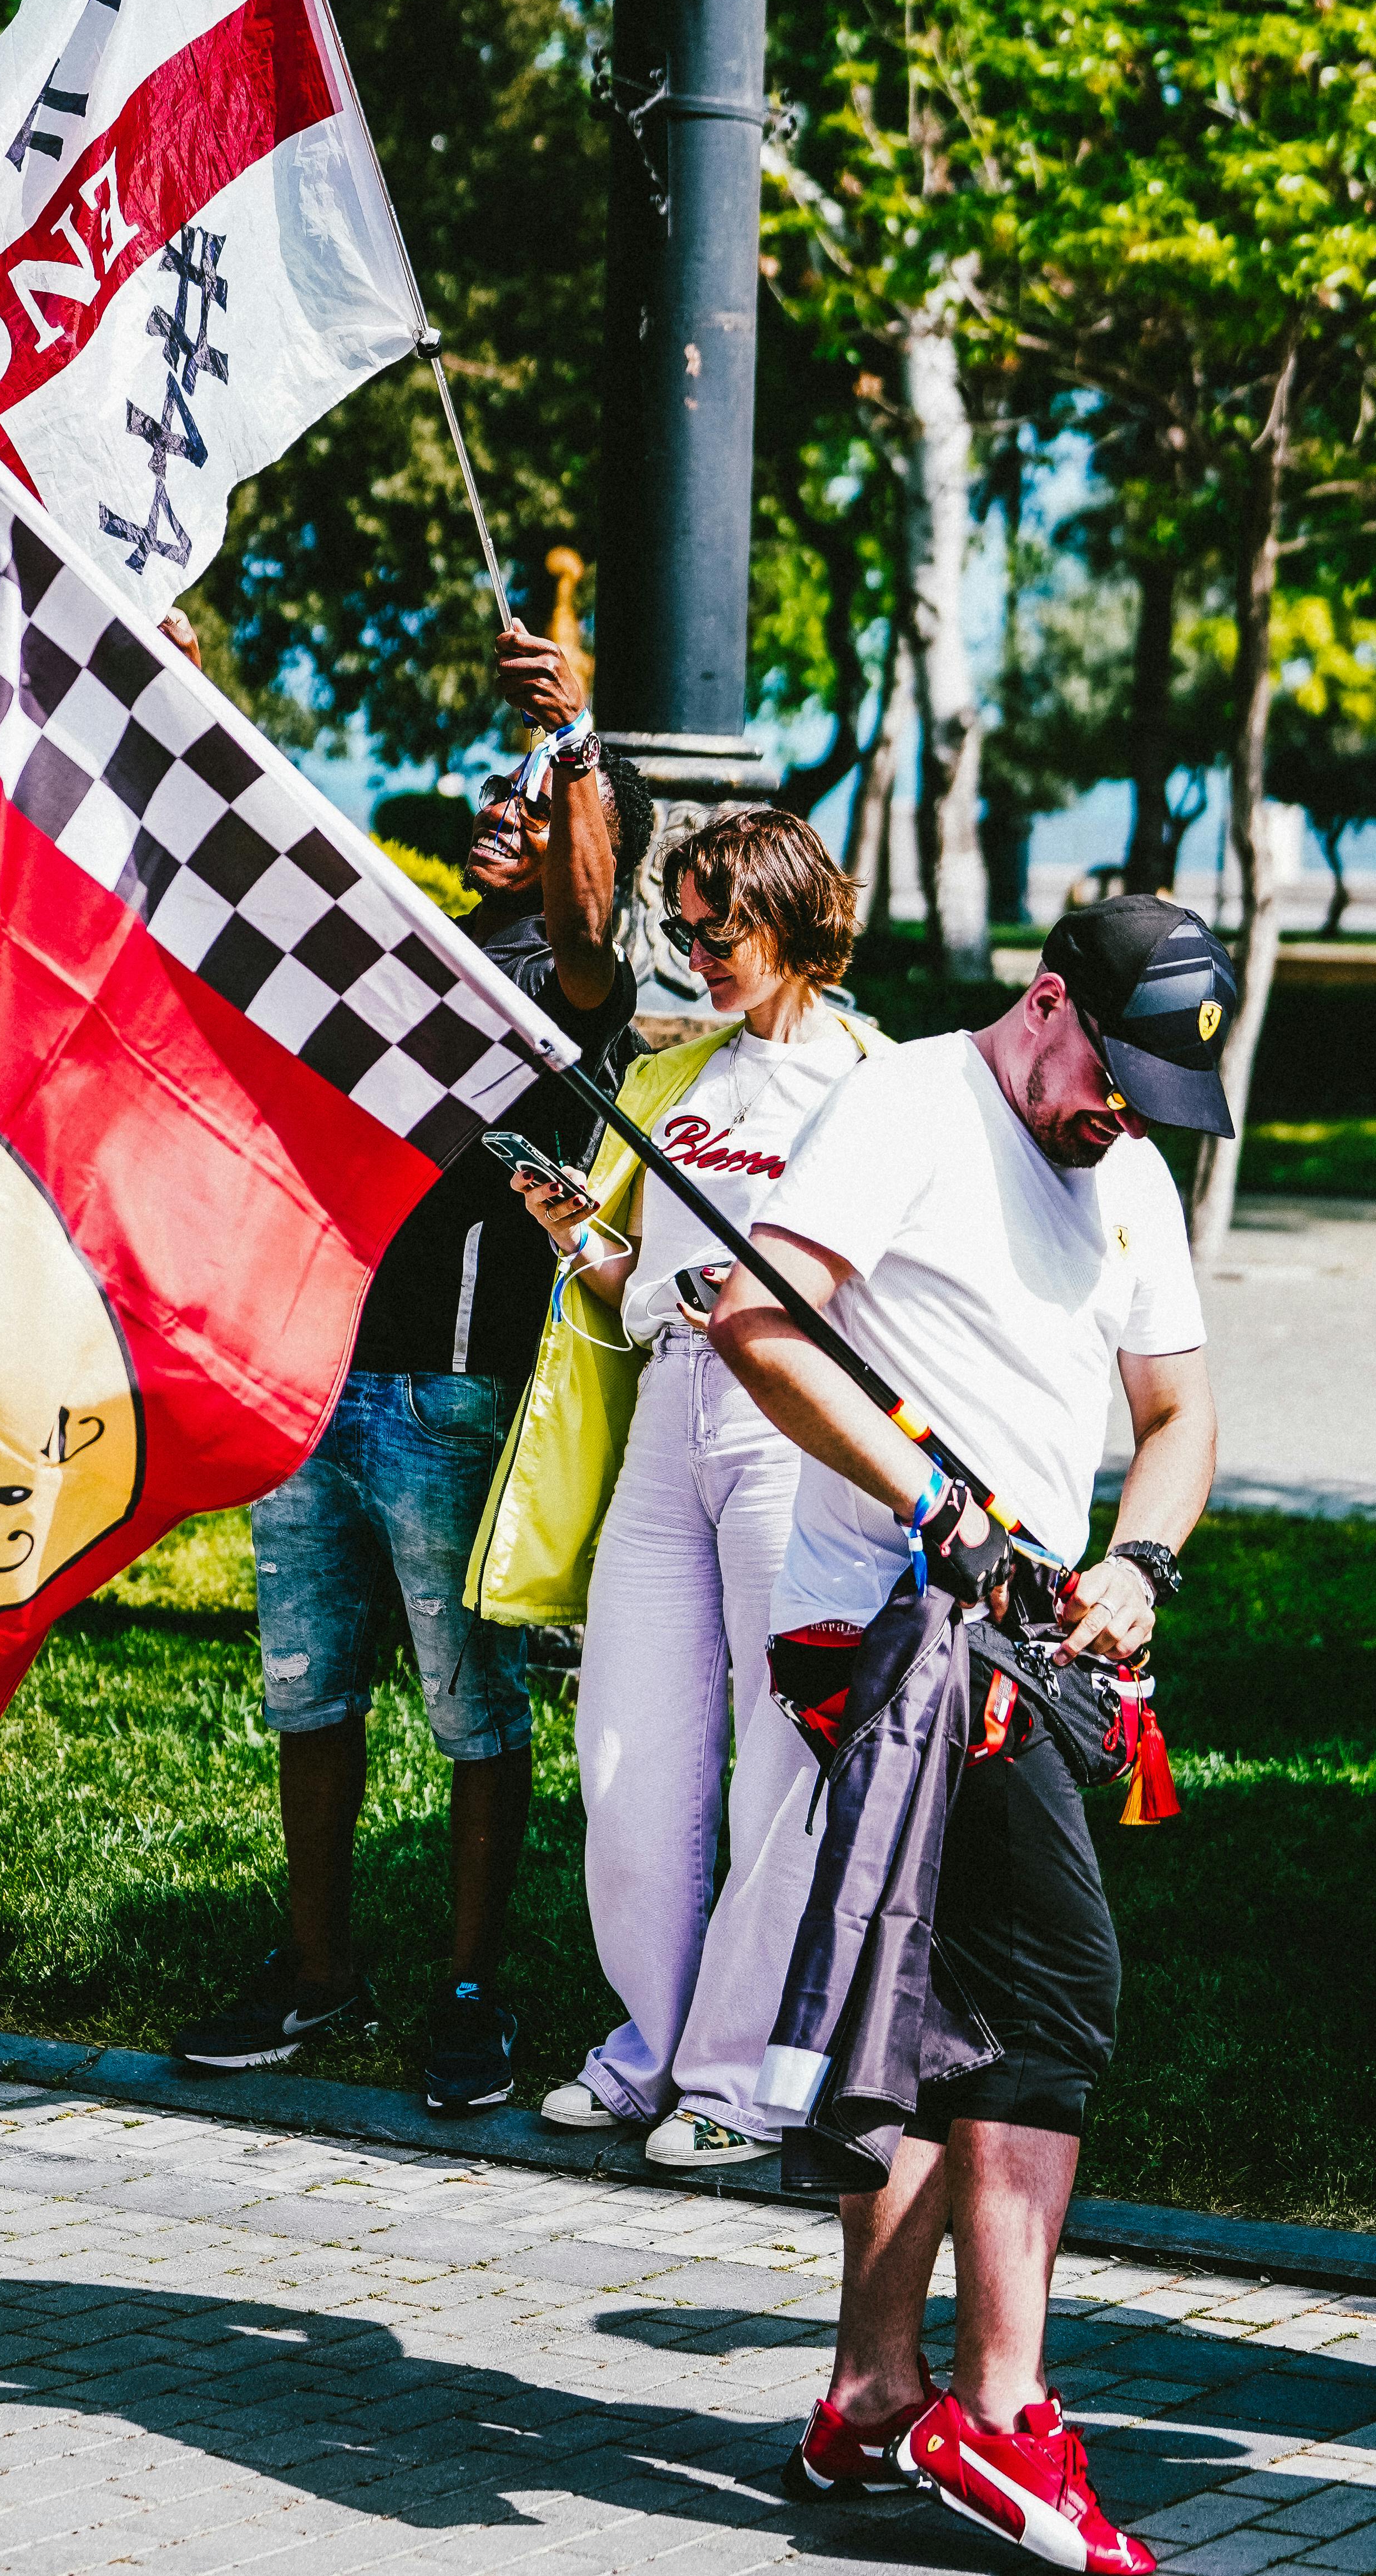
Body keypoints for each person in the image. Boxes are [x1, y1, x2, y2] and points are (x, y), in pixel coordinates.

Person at [710, 894, 1232, 2576]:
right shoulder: (914, 1105)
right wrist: (923, 1493)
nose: (1125, 1108)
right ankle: (1001, 2418)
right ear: (1045, 998)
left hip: (1038, 1639)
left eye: (1160, 1087)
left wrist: (1139, 1562)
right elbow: (756, 1319)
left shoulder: (1130, 1175)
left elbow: (1178, 1415)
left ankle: (871, 2394)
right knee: (1056, 1988)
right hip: (891, 1633)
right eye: (1114, 1067)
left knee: (941, 2008)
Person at [172, 625, 650, 2113]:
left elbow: (589, 928)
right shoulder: (416, 954)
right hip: (317, 1377)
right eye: (497, 787)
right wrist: (186, 697)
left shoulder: (570, 980)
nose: (501, 804)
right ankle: (317, 1971)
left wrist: (576, 737)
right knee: (307, 1688)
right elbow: (270, 863)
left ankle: (466, 1989)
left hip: (449, 1394)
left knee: (471, 1706)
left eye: (541, 793)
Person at [509, 809, 884, 2164]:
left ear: (788, 916)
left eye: (716, 929)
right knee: (626, 1751)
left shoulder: (874, 1085)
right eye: (678, 929)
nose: (695, 955)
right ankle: (648, 2045)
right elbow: (641, 1280)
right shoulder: (683, 1078)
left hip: (793, 1428)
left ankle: (743, 2081)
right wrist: (584, 1245)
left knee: (778, 1761)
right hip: (669, 1409)